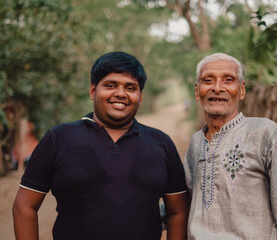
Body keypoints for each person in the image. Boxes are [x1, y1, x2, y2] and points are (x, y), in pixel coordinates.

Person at [12, 51, 189, 240]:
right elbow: (24, 206)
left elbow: (177, 212)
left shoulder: (161, 143)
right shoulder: (58, 138)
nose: (120, 93)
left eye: (130, 87)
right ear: (92, 91)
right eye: (110, 85)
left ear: (140, 96)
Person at [183, 53, 277, 239]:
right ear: (197, 91)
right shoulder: (196, 143)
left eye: (228, 80)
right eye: (208, 80)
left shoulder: (266, 134)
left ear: (241, 90)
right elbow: (182, 202)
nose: (217, 88)